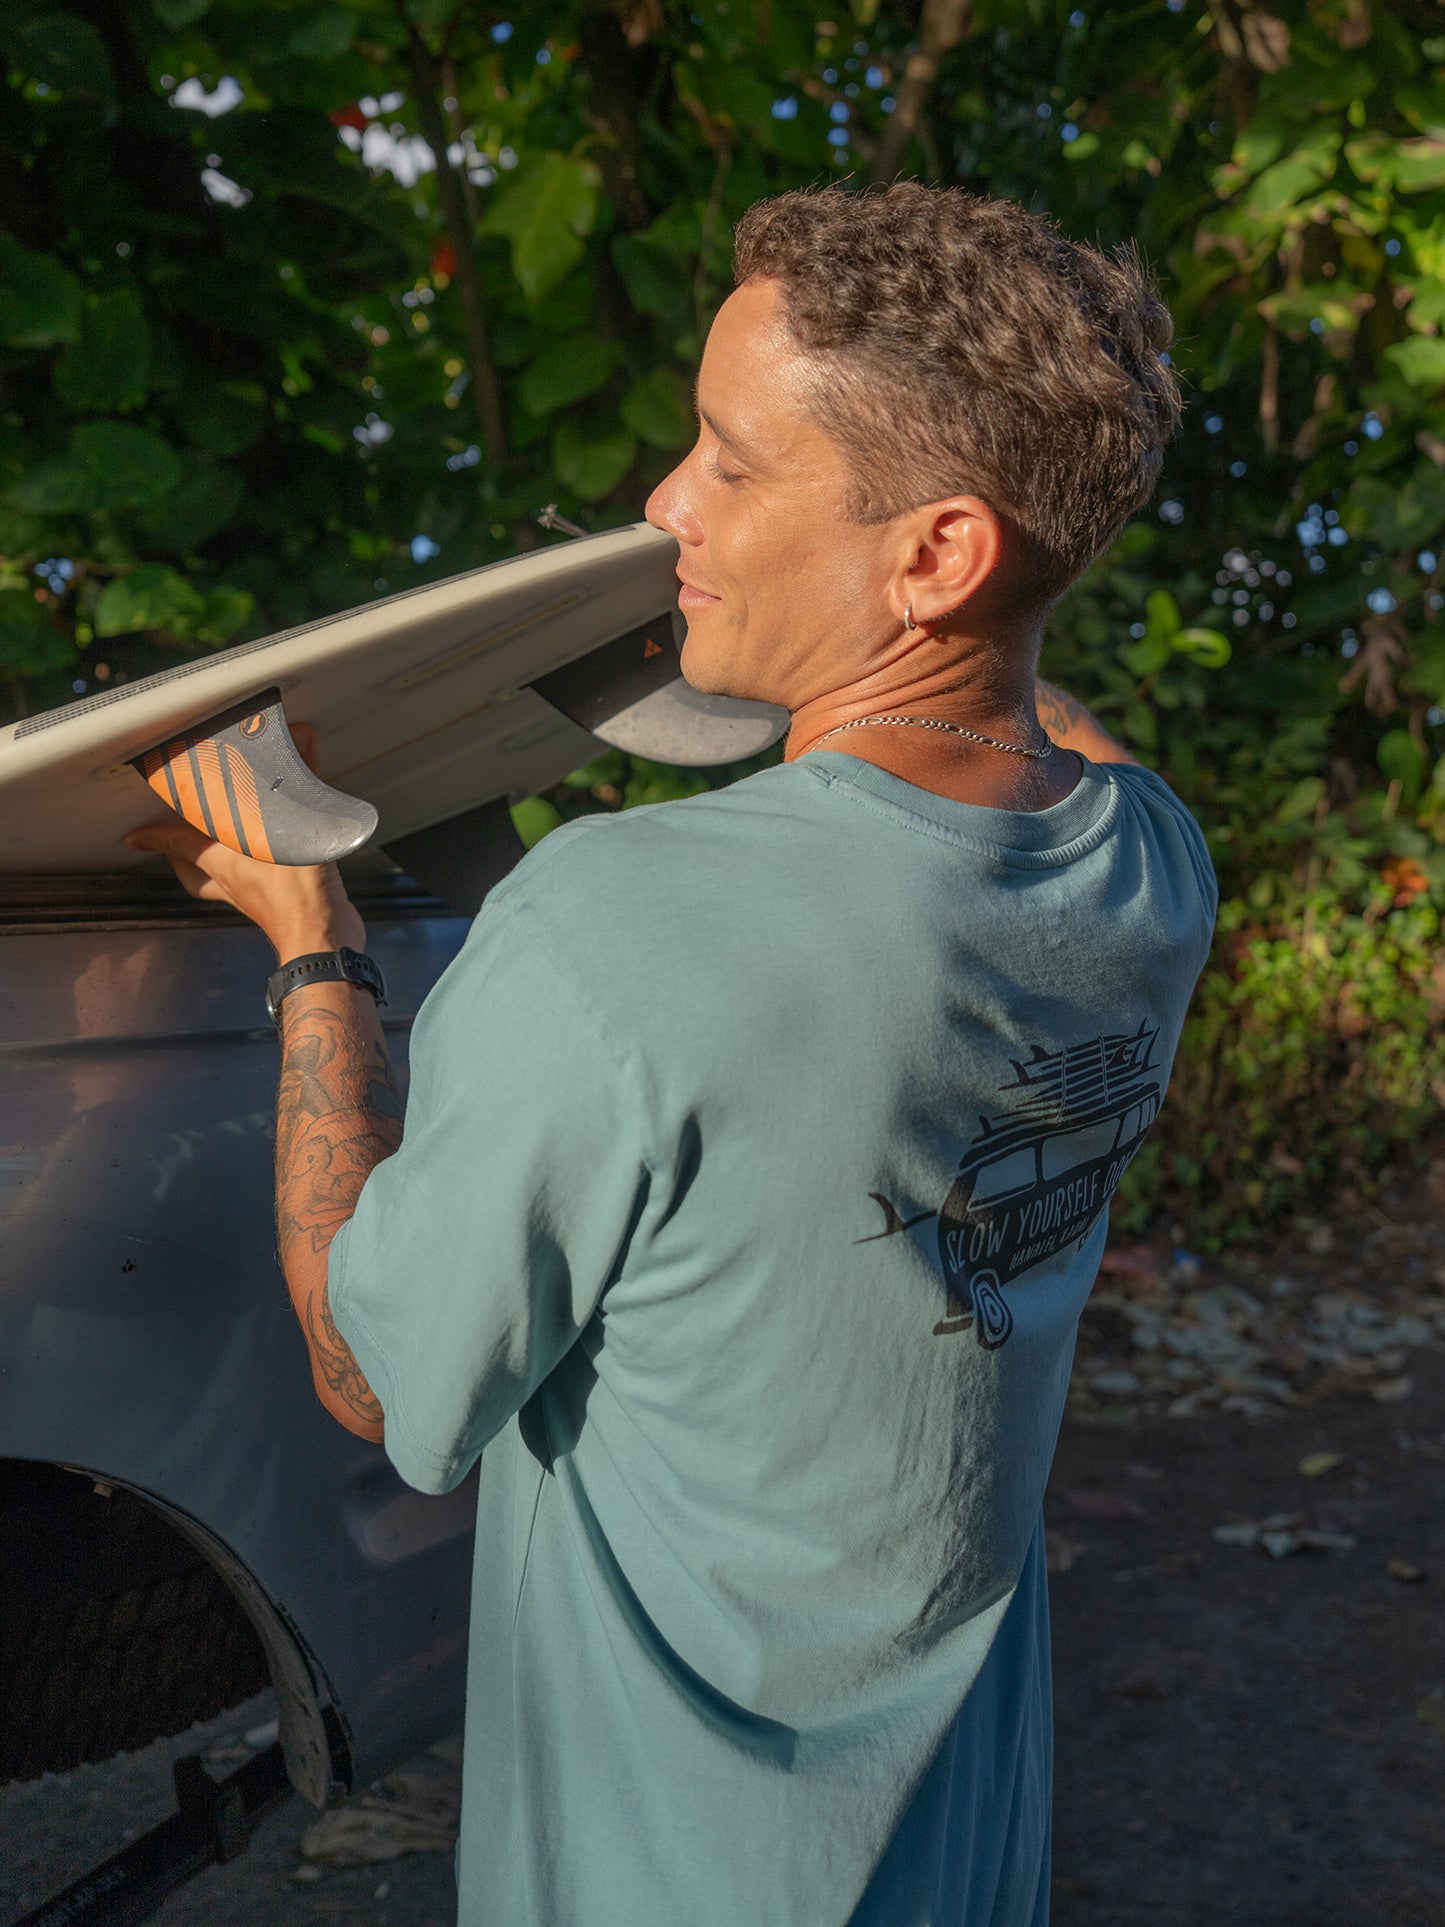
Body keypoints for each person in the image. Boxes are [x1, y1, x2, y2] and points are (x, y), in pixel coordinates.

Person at [129, 183, 1217, 1925]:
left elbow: (383, 1380)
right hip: (957, 1852)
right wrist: (775, 662)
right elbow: (1034, 731)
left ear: (934, 553)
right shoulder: (1149, 869)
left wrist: (309, 934)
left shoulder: (610, 923)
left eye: (729, 463)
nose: (661, 502)